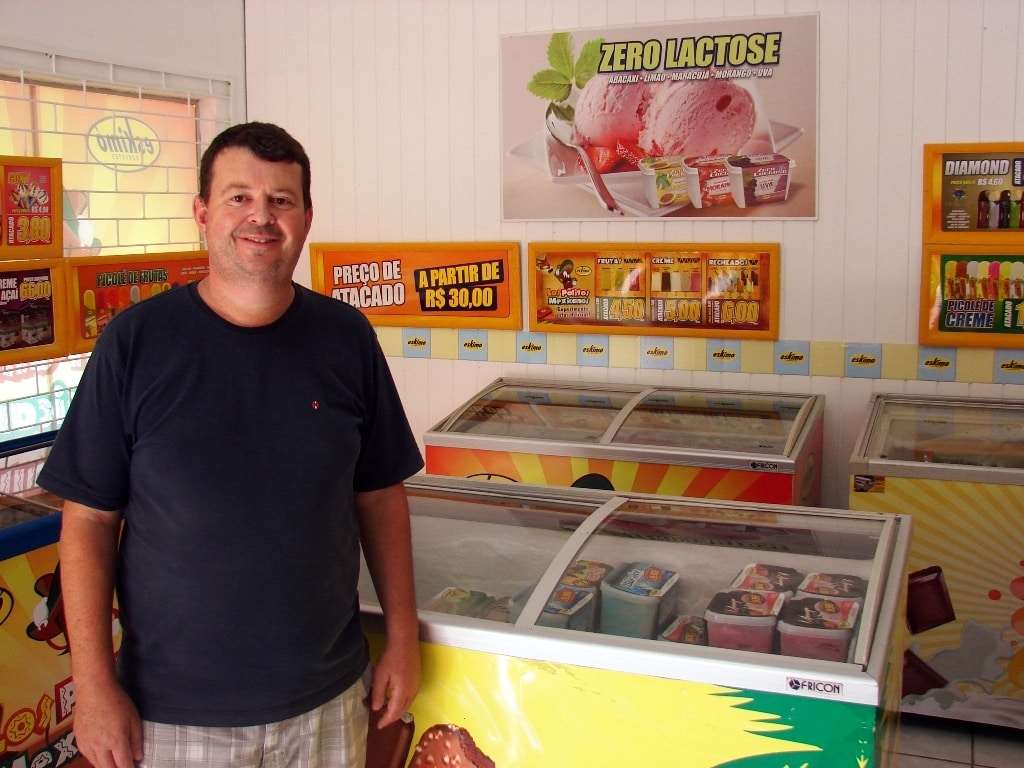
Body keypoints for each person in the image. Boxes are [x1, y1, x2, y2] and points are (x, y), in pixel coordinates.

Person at [37, 122, 424, 768]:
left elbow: (381, 497)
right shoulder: (135, 344)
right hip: (175, 715)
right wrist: (95, 684)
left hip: (326, 701)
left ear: (305, 217)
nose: (261, 217)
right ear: (202, 213)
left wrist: (403, 635)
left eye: (281, 199)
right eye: (239, 197)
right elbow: (88, 524)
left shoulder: (347, 338)